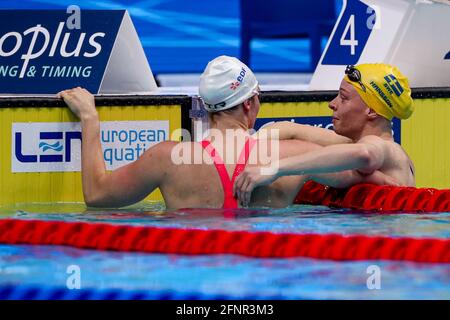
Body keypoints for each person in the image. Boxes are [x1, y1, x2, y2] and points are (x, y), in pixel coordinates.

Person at [58, 57, 393, 209]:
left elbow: (97, 196)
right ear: (250, 104)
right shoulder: (294, 155)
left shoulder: (168, 157)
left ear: (206, 107)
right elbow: (374, 176)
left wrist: (90, 119)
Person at [234, 63, 415, 206]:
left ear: (371, 111)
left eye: (343, 98)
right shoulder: (351, 142)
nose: (332, 103)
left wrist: (274, 168)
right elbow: (291, 130)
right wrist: (246, 146)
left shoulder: (386, 148)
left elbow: (365, 155)